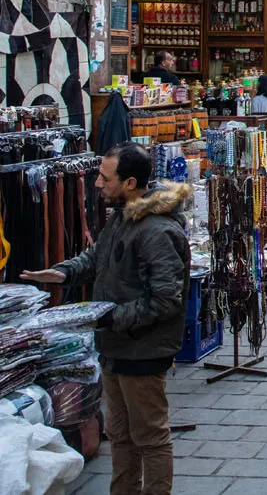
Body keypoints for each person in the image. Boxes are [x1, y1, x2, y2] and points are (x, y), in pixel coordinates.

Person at [21, 143, 189, 495]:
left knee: (150, 436)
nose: (97, 183)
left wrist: (109, 318)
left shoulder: (157, 231)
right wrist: (62, 273)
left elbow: (165, 300)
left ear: (130, 182)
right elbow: (97, 257)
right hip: (115, 344)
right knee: (121, 433)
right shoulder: (123, 215)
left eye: (104, 177)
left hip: (142, 349)